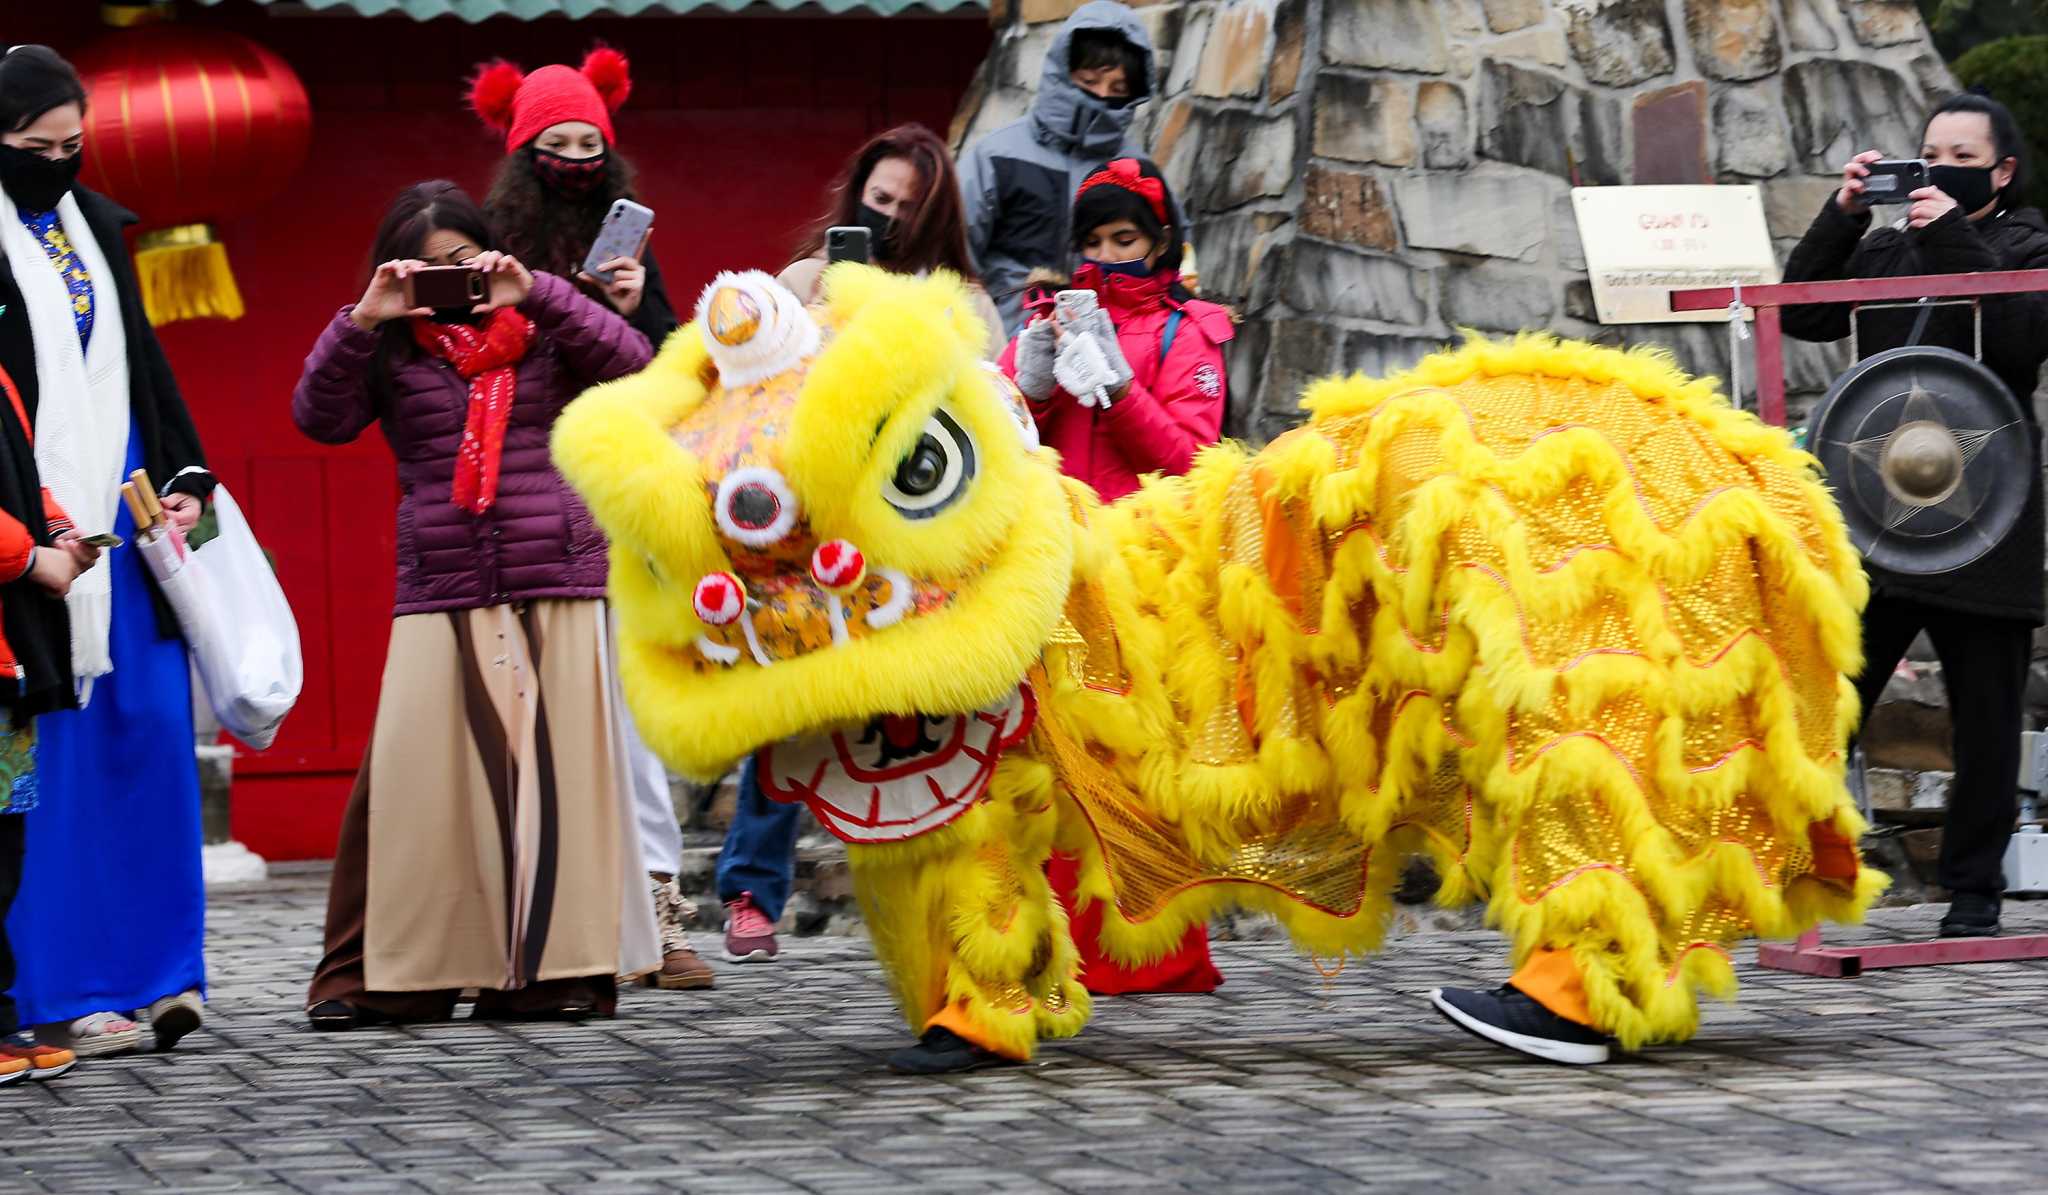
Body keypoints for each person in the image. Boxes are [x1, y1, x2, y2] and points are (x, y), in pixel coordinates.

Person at [294, 181, 660, 1028]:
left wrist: (540, 289)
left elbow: (637, 365)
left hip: (555, 572)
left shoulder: (542, 326)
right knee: (427, 787)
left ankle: (556, 972)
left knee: (561, 784)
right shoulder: (390, 346)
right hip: (444, 578)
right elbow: (318, 417)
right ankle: (411, 973)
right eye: (425, 268)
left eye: (461, 263)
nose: (447, 283)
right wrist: (363, 317)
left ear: (490, 252)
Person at [471, 48, 711, 991]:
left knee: (632, 716)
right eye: (555, 142)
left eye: (588, 142)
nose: (574, 157)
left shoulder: (632, 259)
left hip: (617, 508)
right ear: (524, 151)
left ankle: (659, 916)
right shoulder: (489, 247)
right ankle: (541, 920)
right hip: (524, 500)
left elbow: (673, 372)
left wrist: (629, 310)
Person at [1782, 91, 2048, 939]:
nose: (1940, 170)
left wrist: (1947, 229)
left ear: (2002, 172)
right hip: (1880, 514)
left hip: (1986, 514)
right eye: (1930, 154)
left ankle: (1974, 897)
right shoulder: (1887, 248)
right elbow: (1807, 312)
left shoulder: (2027, 241)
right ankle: (1795, 866)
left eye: (1962, 160)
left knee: (1987, 719)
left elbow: (2019, 339)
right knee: (1831, 698)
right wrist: (1841, 213)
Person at [0, 45, 214, 1060]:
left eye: (71, 144)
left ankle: (161, 973)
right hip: (33, 527)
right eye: (32, 147)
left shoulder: (98, 224)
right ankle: (55, 986)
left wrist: (185, 476)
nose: (56, 161)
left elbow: (143, 356)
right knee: (50, 762)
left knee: (148, 731)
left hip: (122, 511)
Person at [1000, 156, 1232, 995]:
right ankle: (1056, 947)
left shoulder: (1190, 333)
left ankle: (1152, 951)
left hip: (1146, 579)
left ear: (1160, 242)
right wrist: (1019, 387)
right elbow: (994, 449)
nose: (1108, 254)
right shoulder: (1042, 323)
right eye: (1092, 240)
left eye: (1125, 238)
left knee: (1141, 763)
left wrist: (1120, 390)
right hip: (1055, 574)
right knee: (1054, 759)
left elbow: (1194, 460)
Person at [960, 1, 1177, 339]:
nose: (1101, 96)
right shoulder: (995, 156)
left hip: (1113, 352)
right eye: (1090, 80)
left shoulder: (1138, 170)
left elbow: (1173, 264)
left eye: (1118, 90)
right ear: (1062, 72)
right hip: (1007, 342)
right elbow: (955, 257)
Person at [0, 358, 96, 1085]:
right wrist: (30, 556)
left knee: (5, 842)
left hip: (9, 659)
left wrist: (58, 530)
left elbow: (21, 476)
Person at [777, 123, 1005, 358]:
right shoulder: (802, 281)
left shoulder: (971, 307)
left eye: (909, 207)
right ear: (859, 192)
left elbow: (1001, 390)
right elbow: (762, 379)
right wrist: (825, 306)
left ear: (935, 217)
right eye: (881, 198)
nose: (892, 215)